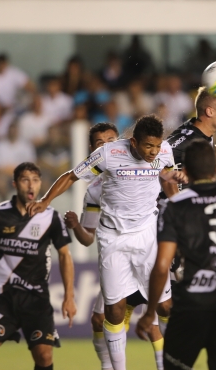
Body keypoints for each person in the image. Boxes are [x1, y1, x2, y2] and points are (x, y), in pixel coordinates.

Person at [27, 115, 186, 370]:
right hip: (113, 238)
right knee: (113, 311)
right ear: (133, 142)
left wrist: (178, 206)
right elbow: (71, 176)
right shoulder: (108, 154)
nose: (153, 152)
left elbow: (166, 178)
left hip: (147, 236)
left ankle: (172, 365)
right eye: (148, 146)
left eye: (157, 146)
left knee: (166, 306)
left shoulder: (164, 151)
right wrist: (45, 201)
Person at [136, 140, 216, 370]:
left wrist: (149, 312)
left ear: (185, 172)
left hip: (191, 307)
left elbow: (162, 265)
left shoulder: (175, 207)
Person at [62, 122, 165, 370]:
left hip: (145, 250)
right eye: (100, 143)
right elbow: (88, 237)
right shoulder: (94, 192)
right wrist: (76, 227)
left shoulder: (148, 168)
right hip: (117, 254)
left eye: (111, 141)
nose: (107, 146)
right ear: (93, 150)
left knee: (154, 320)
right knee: (99, 320)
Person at [0, 162, 76, 370]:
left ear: (40, 184)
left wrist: (69, 296)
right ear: (15, 184)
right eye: (25, 180)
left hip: (37, 300)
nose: (30, 185)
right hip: (4, 298)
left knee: (44, 356)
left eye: (35, 180)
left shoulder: (50, 217)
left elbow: (65, 255)